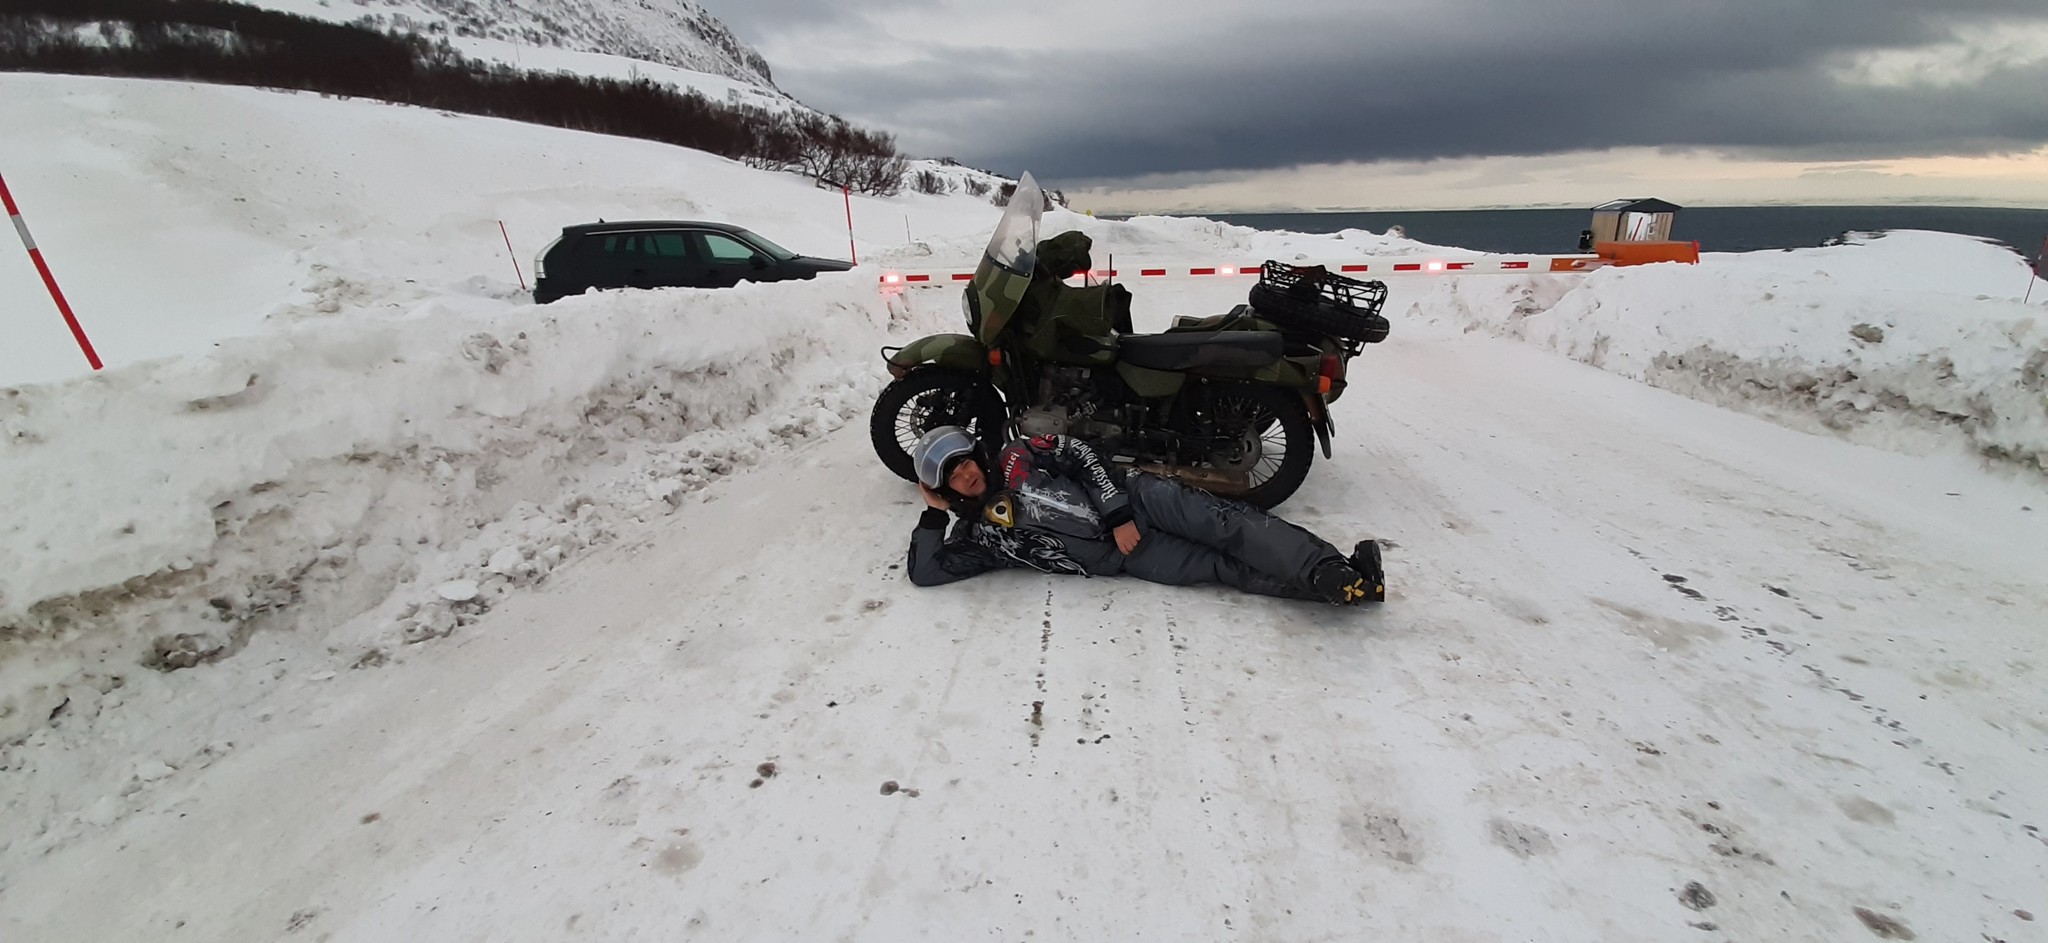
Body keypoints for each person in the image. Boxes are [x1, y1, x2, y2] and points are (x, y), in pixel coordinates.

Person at [904, 426, 1384, 605]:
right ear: (942, 487)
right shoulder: (979, 537)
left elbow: (1083, 455)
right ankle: (1340, 587)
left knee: (1227, 525)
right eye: (953, 475)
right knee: (1223, 568)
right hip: (1127, 557)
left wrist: (1117, 515)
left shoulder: (1018, 455)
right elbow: (927, 572)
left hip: (1138, 500)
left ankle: (1323, 565)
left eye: (965, 460)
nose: (967, 474)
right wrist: (933, 519)